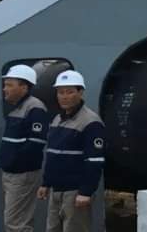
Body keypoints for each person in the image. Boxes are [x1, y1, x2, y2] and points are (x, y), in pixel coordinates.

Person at [37, 70, 105, 232]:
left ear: (80, 93)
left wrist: (86, 192)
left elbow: (94, 161)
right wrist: (45, 183)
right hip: (56, 190)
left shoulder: (91, 122)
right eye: (60, 92)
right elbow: (52, 155)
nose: (64, 97)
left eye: (69, 92)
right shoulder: (57, 119)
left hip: (75, 192)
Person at [0, 64, 50, 232]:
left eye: (9, 85)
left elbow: (35, 144)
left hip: (21, 174)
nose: (5, 89)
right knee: (15, 221)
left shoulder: (35, 108)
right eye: (5, 85)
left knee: (16, 223)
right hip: (11, 173)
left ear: (24, 87)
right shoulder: (16, 108)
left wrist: (14, 162)